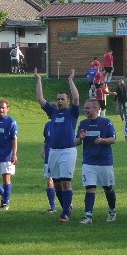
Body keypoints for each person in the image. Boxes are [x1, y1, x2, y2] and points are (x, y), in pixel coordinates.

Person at [34, 67, 80, 222]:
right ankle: (67, 206)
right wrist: (39, 79)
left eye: (62, 99)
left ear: (67, 101)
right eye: (58, 99)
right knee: (58, 184)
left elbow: (76, 98)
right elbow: (40, 99)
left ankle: (65, 213)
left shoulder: (72, 113)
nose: (60, 101)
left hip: (68, 151)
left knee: (66, 183)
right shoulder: (53, 112)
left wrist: (70, 80)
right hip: (53, 151)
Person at [75, 98, 117, 224]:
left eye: (88, 108)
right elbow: (76, 142)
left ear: (96, 109)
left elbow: (113, 139)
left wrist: (103, 140)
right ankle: (88, 216)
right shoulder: (83, 123)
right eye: (85, 108)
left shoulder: (106, 122)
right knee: (90, 188)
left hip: (104, 161)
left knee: (108, 188)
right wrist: (80, 138)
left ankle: (112, 210)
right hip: (89, 162)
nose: (85, 110)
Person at [40, 118, 58, 213]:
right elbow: (46, 139)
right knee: (49, 180)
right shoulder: (48, 125)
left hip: (61, 155)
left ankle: (68, 203)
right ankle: (53, 206)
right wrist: (43, 149)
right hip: (49, 156)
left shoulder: (65, 123)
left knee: (62, 181)